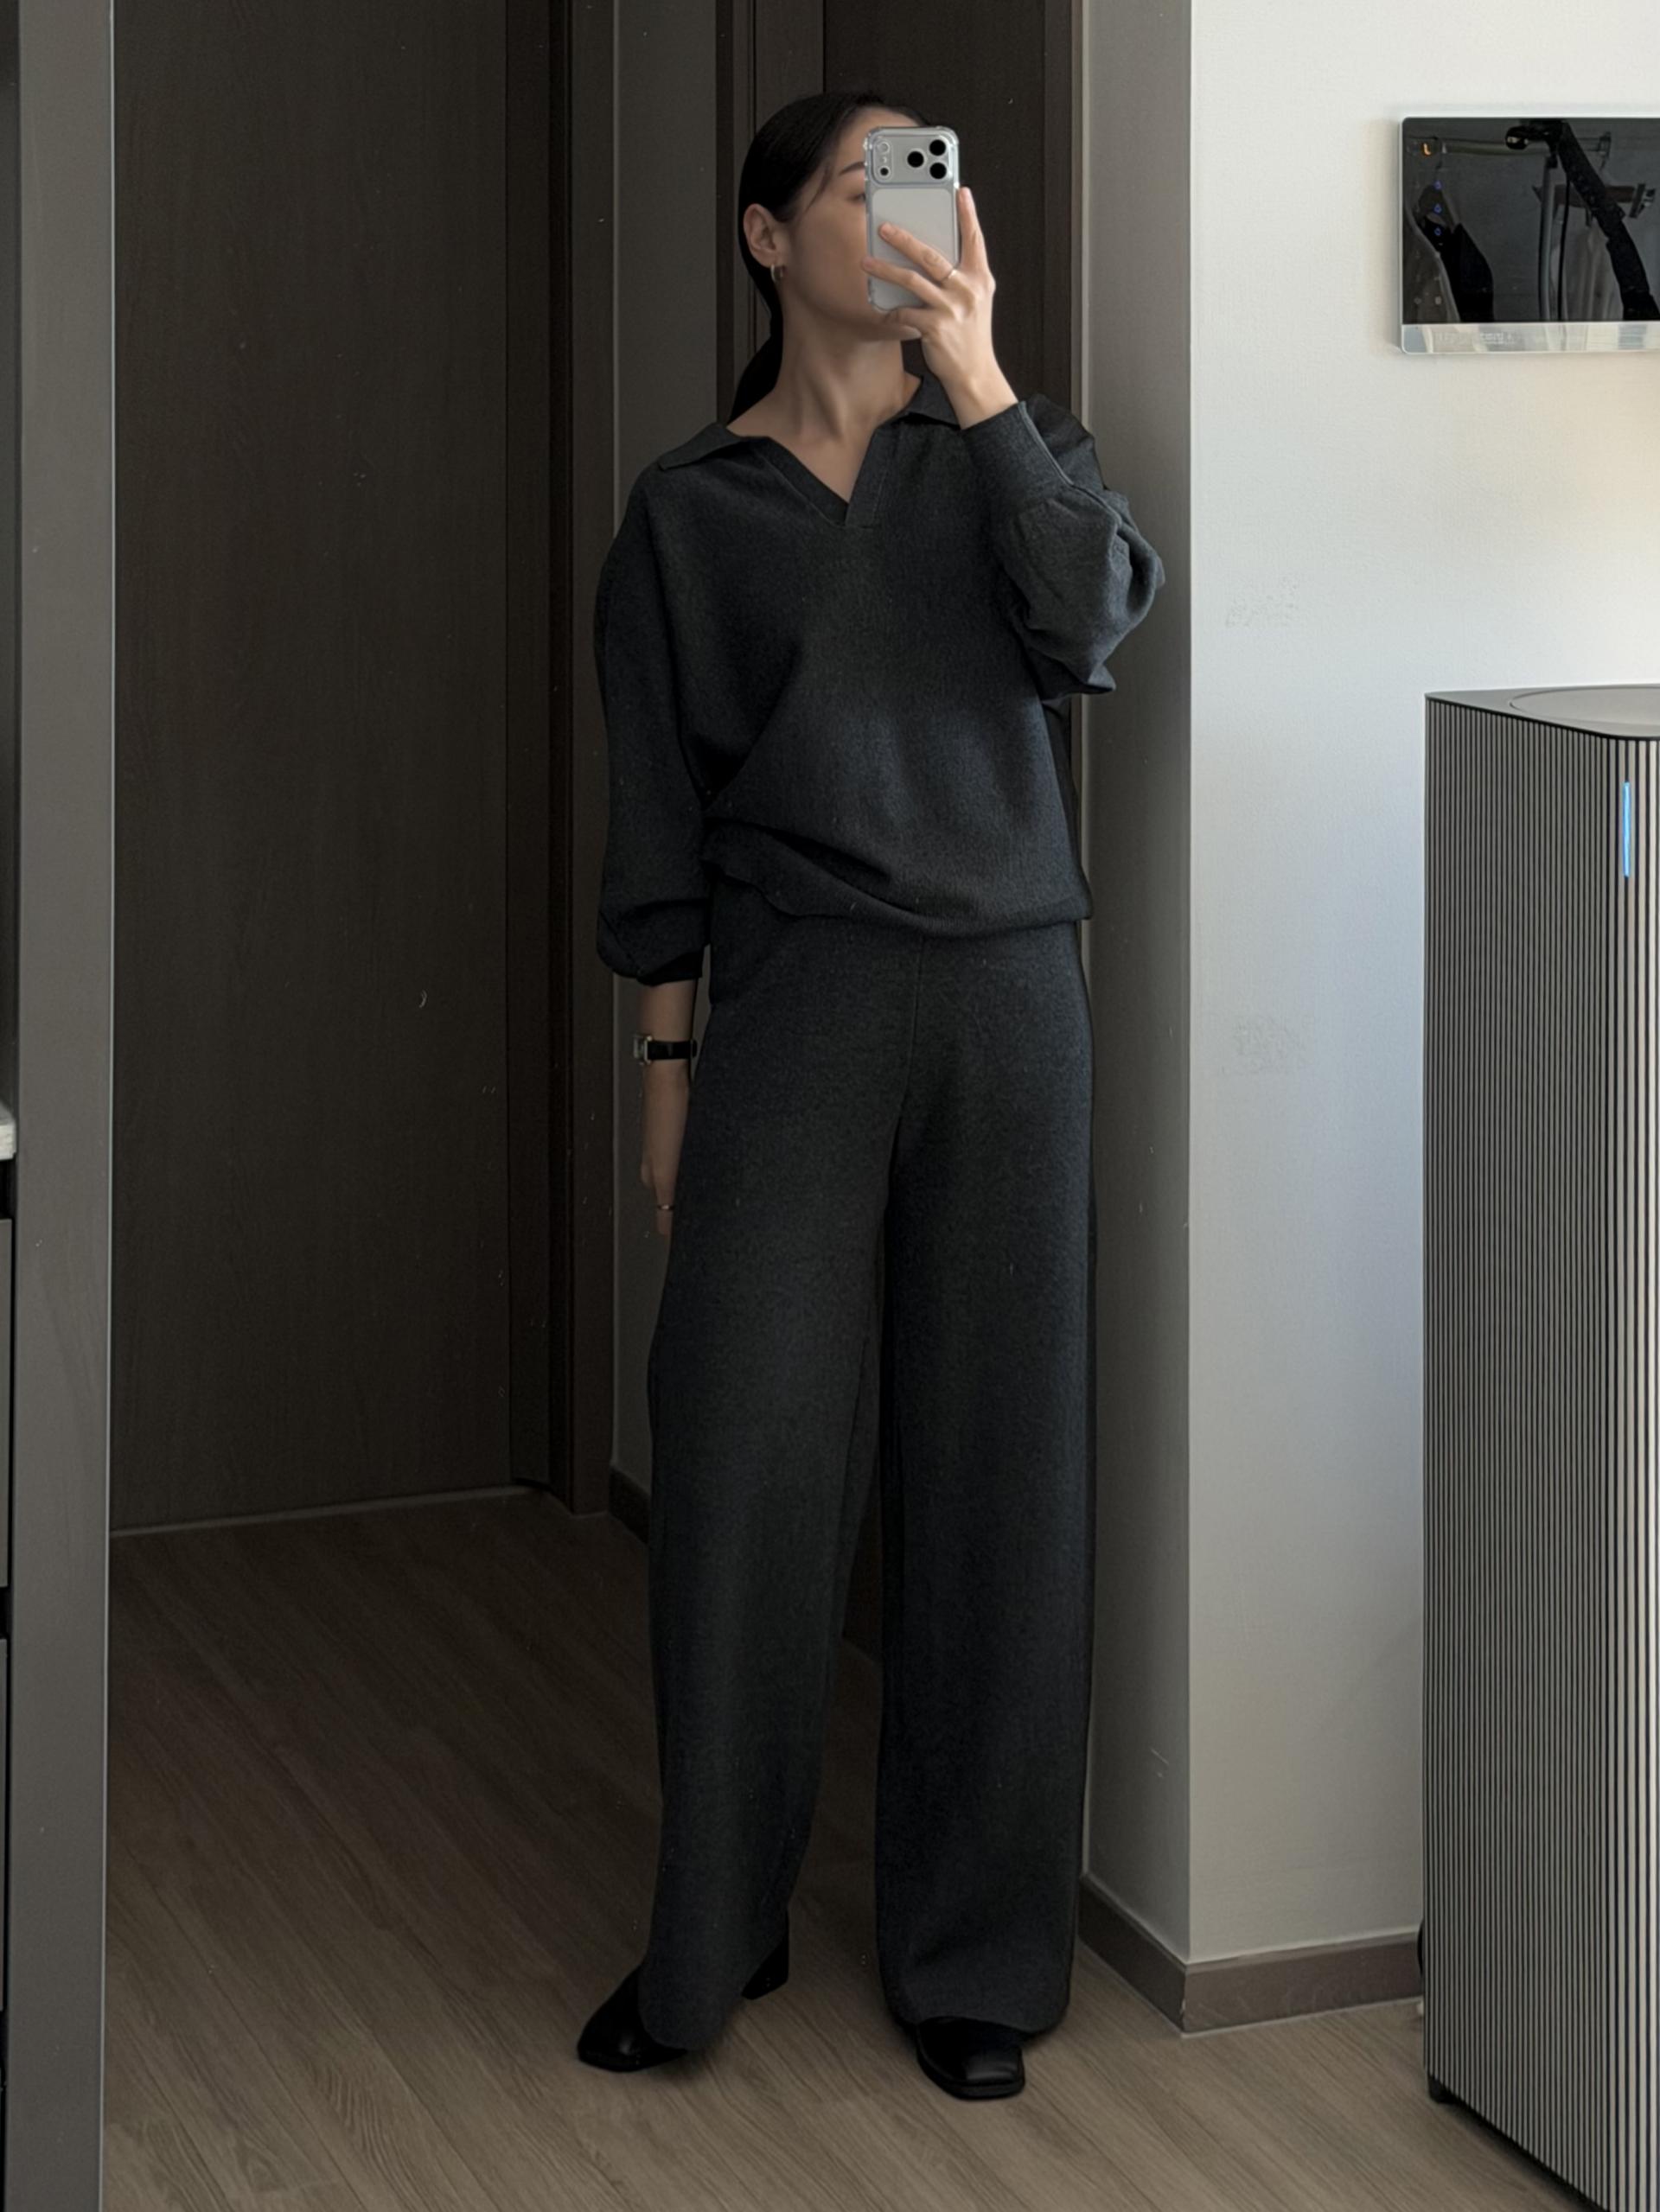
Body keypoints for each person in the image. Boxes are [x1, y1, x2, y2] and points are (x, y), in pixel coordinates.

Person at [578, 87, 1165, 2100]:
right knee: (740, 1457)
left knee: (1003, 1467)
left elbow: (1091, 621)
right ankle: (712, 1926)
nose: (914, 208)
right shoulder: (688, 511)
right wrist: (666, 1093)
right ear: (767, 238)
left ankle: (978, 1954)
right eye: (865, 181)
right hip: (795, 1009)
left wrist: (978, 378)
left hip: (1009, 1005)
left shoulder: (1017, 453)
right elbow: (660, 835)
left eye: (934, 176)